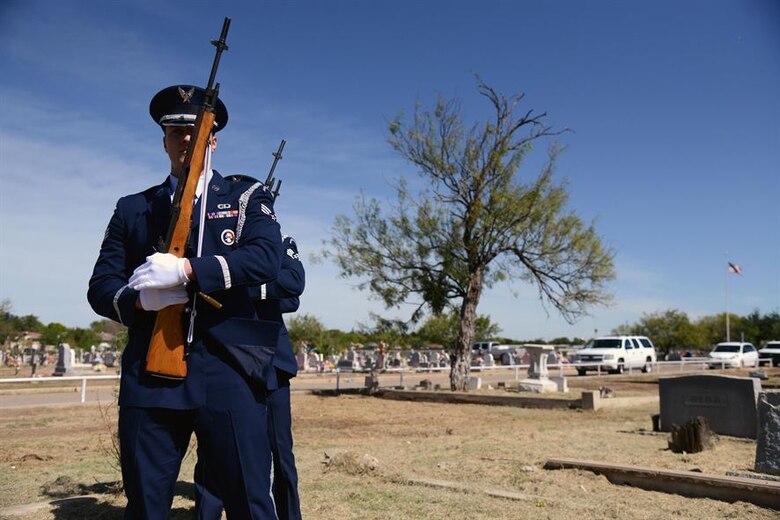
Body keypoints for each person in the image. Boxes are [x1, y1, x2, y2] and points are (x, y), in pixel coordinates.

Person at [88, 84, 283, 519]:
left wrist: (188, 273)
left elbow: (266, 260)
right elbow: (101, 286)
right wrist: (143, 302)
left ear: (214, 138)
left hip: (227, 366)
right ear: (164, 140)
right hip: (151, 371)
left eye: (198, 131)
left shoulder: (245, 197)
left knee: (251, 500)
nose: (187, 140)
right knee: (146, 504)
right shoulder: (132, 208)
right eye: (176, 131)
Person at [196, 233, 305, 519]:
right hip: (225, 355)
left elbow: (293, 285)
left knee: (281, 453)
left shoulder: (281, 242)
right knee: (211, 453)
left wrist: (234, 288)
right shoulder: (216, 242)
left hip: (272, 359)